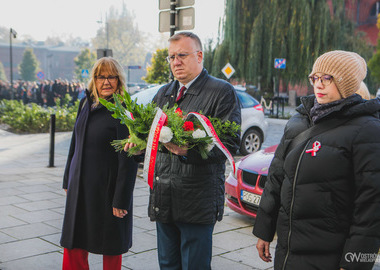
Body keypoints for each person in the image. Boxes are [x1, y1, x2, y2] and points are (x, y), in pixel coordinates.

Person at [253, 50, 380, 270]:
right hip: (287, 250)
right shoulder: (299, 120)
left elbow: (371, 205)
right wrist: (264, 229)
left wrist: (354, 263)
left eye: (327, 78)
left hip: (330, 254)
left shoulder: (367, 129)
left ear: (347, 83)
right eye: (315, 78)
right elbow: (276, 177)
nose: (318, 84)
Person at [144, 32, 241, 269]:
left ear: (199, 56)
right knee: (167, 264)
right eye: (171, 57)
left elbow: (228, 144)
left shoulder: (221, 92)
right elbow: (152, 137)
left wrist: (186, 150)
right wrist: (139, 146)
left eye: (182, 55)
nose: (175, 62)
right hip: (163, 196)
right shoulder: (164, 93)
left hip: (196, 201)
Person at [60, 57, 140, 270]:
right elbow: (75, 144)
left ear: (119, 80)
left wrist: (121, 200)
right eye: (101, 77)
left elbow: (130, 159)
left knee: (111, 247)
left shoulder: (123, 110)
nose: (106, 82)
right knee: (74, 242)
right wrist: (68, 179)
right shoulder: (85, 103)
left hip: (107, 191)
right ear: (93, 80)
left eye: (111, 76)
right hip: (80, 189)